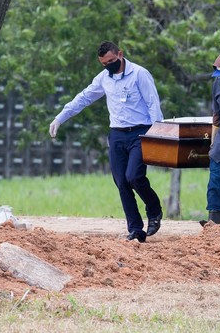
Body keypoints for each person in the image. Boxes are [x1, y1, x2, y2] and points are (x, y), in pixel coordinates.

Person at [49, 41, 165, 242]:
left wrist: (158, 134)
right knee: (121, 181)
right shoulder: (104, 78)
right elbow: (84, 98)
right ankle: (136, 228)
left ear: (120, 54)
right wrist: (60, 117)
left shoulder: (139, 74)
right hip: (117, 134)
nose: (108, 65)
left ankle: (154, 210)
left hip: (141, 132)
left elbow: (153, 103)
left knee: (134, 176)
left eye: (111, 61)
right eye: (104, 63)